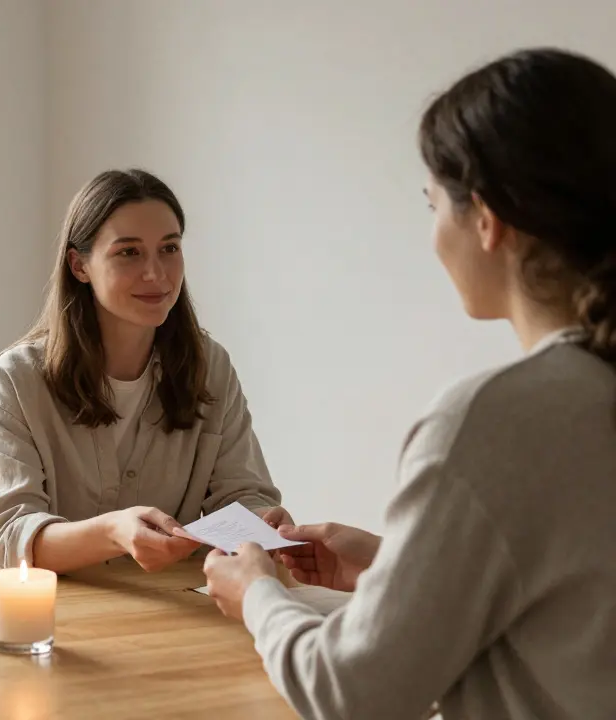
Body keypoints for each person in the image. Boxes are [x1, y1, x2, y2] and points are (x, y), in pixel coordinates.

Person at [203, 47, 616, 719]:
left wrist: (258, 594)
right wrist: (400, 566)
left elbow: (351, 694)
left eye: (432, 205)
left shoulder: (494, 420)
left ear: (485, 219)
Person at [0, 169, 291, 574]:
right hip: (42, 617)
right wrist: (113, 532)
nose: (156, 274)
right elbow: (10, 540)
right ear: (79, 265)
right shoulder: (15, 381)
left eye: (169, 249)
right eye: (129, 252)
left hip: (166, 608)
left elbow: (243, 495)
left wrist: (262, 521)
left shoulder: (211, 369)